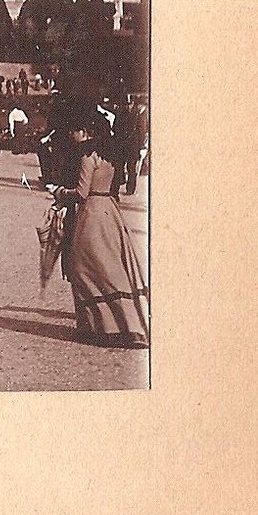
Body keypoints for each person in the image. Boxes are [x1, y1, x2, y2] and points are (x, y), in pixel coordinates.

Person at [53, 121, 150, 347]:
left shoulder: (87, 157)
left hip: (92, 214)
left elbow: (80, 192)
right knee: (112, 265)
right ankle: (128, 322)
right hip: (110, 211)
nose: (72, 133)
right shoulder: (110, 156)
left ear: (87, 131)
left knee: (83, 267)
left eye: (75, 129)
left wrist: (58, 192)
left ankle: (99, 326)